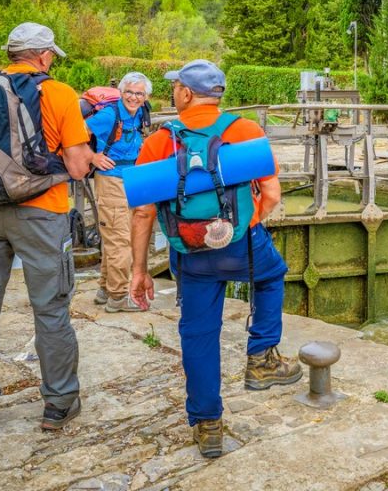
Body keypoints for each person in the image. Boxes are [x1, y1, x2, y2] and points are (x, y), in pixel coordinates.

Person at [129, 59, 302, 459]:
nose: (172, 92)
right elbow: (272, 194)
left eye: (175, 87)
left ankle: (208, 426)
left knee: (198, 333)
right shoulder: (245, 130)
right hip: (242, 245)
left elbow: (142, 212)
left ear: (187, 94)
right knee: (272, 275)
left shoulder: (160, 140)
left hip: (190, 254)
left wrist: (139, 271)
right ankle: (262, 356)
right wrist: (245, 225)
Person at [0, 22, 114, 438]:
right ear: (44, 56)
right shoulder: (58, 93)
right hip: (41, 214)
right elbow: (79, 167)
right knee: (51, 310)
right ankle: (59, 403)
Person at [86, 71, 152, 313]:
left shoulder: (142, 112)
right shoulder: (108, 115)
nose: (133, 98)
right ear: (121, 92)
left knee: (118, 236)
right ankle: (118, 296)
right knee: (120, 240)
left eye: (139, 93)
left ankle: (105, 289)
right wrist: (92, 157)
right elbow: (75, 134)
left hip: (132, 178)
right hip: (111, 180)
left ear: (146, 97)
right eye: (129, 92)